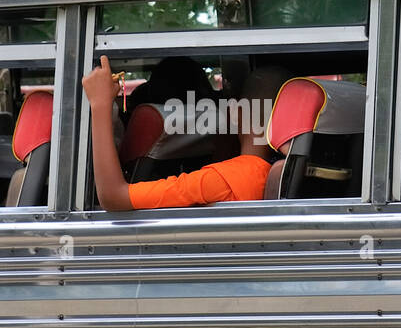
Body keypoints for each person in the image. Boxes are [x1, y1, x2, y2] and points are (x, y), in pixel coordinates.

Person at [82, 55, 286, 211]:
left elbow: (113, 197)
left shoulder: (225, 179)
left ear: (237, 115)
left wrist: (100, 104)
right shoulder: (281, 171)